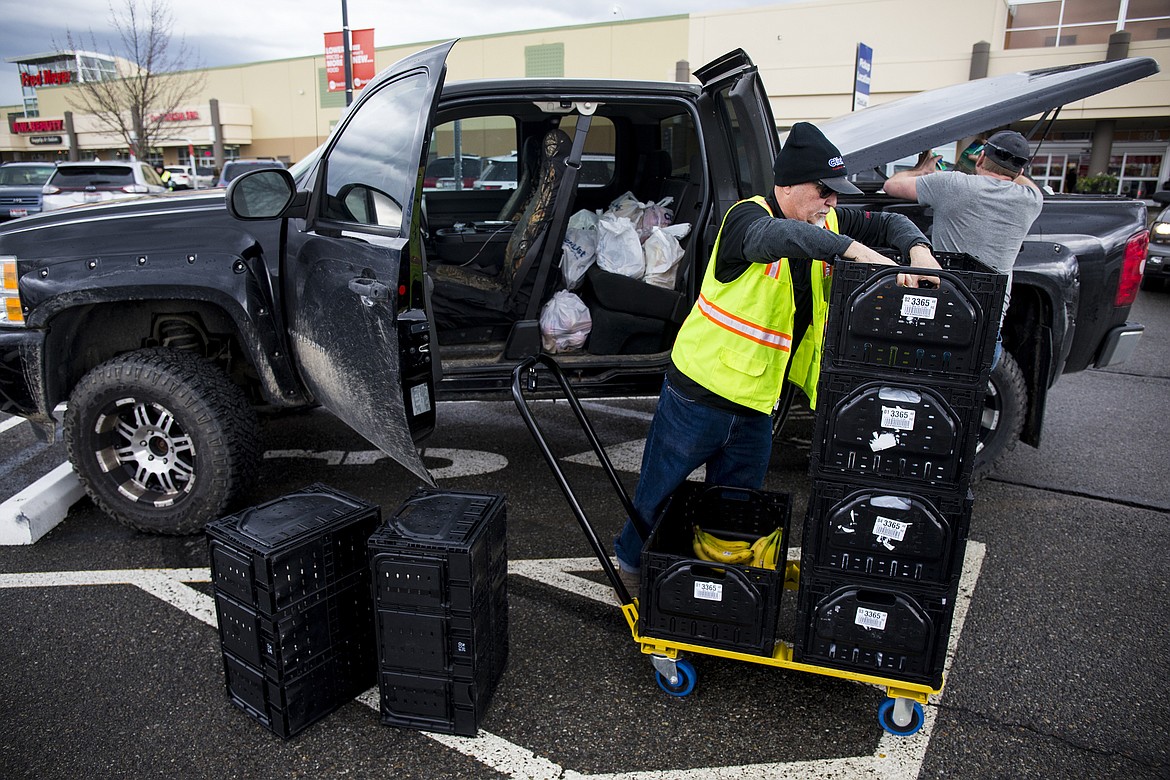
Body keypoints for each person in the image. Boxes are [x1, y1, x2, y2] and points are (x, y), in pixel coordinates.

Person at [613, 122, 941, 588]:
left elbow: (889, 220)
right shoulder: (746, 221)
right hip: (701, 394)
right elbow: (782, 238)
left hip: (760, 399)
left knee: (736, 501)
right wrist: (856, 251)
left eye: (836, 194)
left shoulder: (825, 220)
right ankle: (629, 564)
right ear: (786, 185)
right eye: (823, 191)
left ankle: (712, 575)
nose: (832, 203)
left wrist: (918, 251)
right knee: (658, 491)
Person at [883, 129, 1043, 367]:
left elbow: (891, 185)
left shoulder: (951, 184)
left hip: (938, 319)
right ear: (1020, 171)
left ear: (980, 158)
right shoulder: (1031, 200)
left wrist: (923, 171)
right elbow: (1026, 183)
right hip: (987, 330)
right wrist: (1013, 170)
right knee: (967, 396)